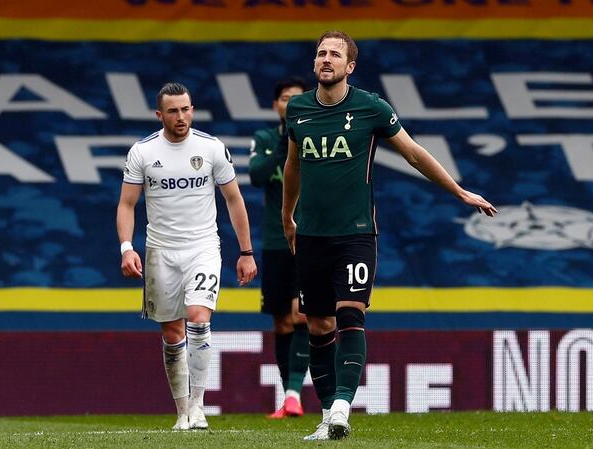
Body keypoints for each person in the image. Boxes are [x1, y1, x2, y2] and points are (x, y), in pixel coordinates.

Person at [282, 31, 498, 441]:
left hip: (356, 233)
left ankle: (343, 405)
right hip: (311, 234)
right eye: (321, 53)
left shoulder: (370, 108)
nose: (326, 59)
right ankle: (327, 416)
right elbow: (293, 166)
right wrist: (287, 217)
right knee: (317, 325)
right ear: (314, 64)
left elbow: (414, 153)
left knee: (350, 314)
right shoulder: (298, 109)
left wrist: (459, 191)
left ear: (350, 67)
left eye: (335, 54)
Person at [117, 82, 257, 431]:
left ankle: (198, 406)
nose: (182, 117)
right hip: (160, 252)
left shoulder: (211, 148)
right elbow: (127, 204)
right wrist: (126, 247)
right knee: (171, 331)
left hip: (203, 249)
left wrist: (246, 251)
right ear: (159, 114)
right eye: (174, 111)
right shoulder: (143, 152)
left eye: (187, 109)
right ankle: (182, 412)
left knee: (197, 317)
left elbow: (234, 199)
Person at [248, 76, 311, 419]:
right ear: (276, 105)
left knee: (301, 313)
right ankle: (289, 398)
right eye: (285, 98)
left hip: (310, 238)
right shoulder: (265, 139)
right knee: (282, 322)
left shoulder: (318, 137)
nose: (290, 103)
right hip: (275, 240)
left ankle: (293, 394)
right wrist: (286, 142)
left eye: (296, 98)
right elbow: (256, 175)